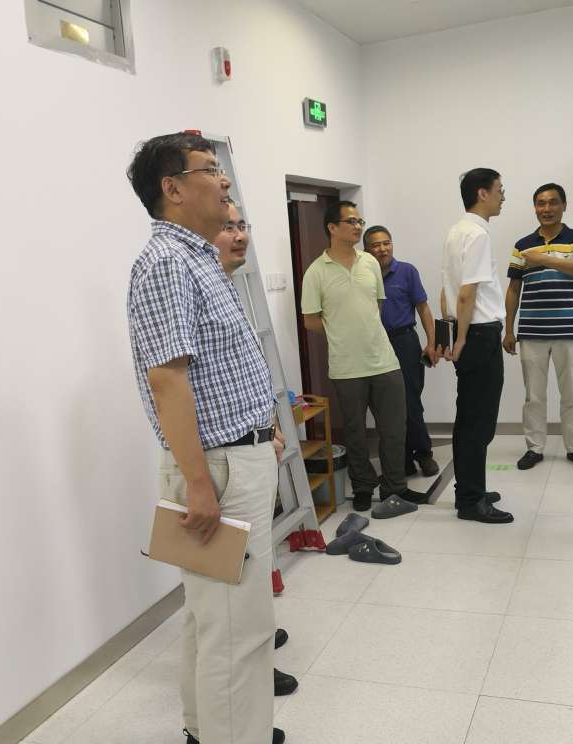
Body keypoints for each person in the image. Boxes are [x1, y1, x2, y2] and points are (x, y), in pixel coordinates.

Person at [125, 132, 285, 744]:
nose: (224, 181)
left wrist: (263, 427)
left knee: (210, 618)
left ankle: (204, 730)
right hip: (218, 469)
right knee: (237, 627)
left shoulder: (198, 258)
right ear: (172, 188)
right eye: (209, 170)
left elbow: (219, 367)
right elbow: (167, 380)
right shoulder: (168, 262)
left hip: (231, 457)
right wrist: (198, 484)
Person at [213, 201, 298, 699]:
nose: (239, 235)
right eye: (227, 227)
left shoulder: (228, 287)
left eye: (242, 225)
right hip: (226, 457)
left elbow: (242, 373)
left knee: (254, 566)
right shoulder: (188, 281)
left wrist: (268, 426)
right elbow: (175, 387)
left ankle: (258, 643)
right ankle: (248, 670)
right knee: (237, 580)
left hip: (254, 443)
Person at [301, 201, 427, 512]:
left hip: (384, 361)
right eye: (351, 221)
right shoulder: (316, 272)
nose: (358, 226)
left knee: (394, 429)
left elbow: (377, 306)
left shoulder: (369, 262)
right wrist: (341, 332)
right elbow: (311, 320)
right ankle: (362, 487)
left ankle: (395, 487)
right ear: (332, 228)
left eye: (360, 221)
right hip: (346, 367)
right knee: (356, 433)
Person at [440, 169, 515, 524]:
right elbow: (466, 293)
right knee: (477, 423)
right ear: (482, 193)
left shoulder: (457, 231)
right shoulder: (477, 234)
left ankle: (470, 489)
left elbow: (447, 289)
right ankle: (471, 501)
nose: (503, 196)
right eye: (500, 189)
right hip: (479, 335)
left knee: (470, 419)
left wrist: (452, 332)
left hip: (470, 332)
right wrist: (462, 340)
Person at [504, 183, 573, 470]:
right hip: (532, 331)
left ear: (564, 205)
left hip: (570, 330)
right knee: (533, 396)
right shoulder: (522, 245)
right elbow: (513, 290)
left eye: (553, 202)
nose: (547, 208)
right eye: (541, 203)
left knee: (572, 394)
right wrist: (509, 330)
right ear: (535, 208)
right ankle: (535, 448)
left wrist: (543, 259)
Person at [363, 224, 440, 477]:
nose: (382, 249)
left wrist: (431, 343)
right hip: (375, 344)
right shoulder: (362, 275)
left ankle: (424, 454)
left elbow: (423, 308)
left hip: (404, 341)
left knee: (410, 401)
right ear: (366, 249)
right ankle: (402, 458)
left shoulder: (407, 271)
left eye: (386, 243)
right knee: (386, 405)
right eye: (376, 245)